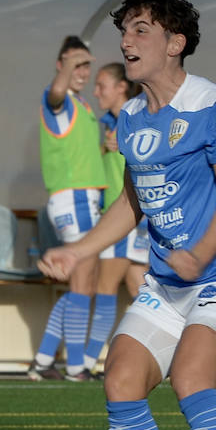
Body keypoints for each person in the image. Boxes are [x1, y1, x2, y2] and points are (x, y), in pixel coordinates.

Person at [40, 0, 216, 430]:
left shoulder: (213, 104)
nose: (127, 42)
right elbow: (131, 202)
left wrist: (201, 253)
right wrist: (79, 249)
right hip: (165, 282)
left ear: (175, 43)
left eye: (141, 30)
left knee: (190, 378)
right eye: (124, 31)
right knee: (121, 382)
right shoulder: (129, 117)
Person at [30, 36, 106, 381]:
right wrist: (70, 62)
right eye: (75, 63)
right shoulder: (57, 101)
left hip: (84, 198)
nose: (82, 70)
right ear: (60, 65)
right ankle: (75, 365)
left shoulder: (85, 106)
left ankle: (44, 359)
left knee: (84, 282)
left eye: (86, 64)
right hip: (72, 199)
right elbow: (55, 94)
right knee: (83, 280)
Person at [87, 62, 148, 373]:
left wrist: (124, 144)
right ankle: (166, 353)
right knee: (142, 289)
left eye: (102, 85)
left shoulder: (135, 116)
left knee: (104, 287)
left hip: (126, 217)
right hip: (121, 216)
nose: (96, 92)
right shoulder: (107, 123)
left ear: (121, 87)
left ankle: (85, 363)